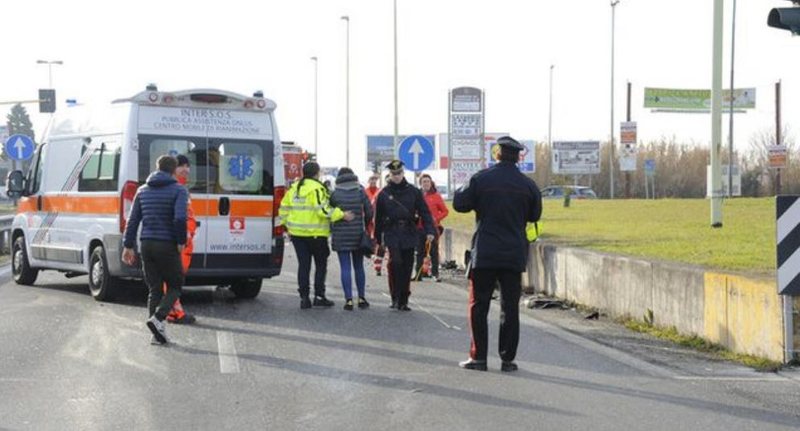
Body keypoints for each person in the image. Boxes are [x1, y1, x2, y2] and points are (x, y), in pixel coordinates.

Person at [453, 136, 542, 372]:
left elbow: (459, 204)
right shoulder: (528, 185)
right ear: (518, 157)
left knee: (478, 305)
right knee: (510, 308)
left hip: (486, 253)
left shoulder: (481, 179)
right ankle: (508, 359)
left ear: (498, 154)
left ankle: (478, 357)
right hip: (513, 254)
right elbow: (535, 215)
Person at [122, 155, 189, 345]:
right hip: (167, 244)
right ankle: (158, 318)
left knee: (154, 289)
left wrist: (128, 245)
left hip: (146, 245)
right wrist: (181, 241)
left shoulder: (142, 190)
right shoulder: (179, 190)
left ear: (157, 167)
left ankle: (156, 335)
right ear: (174, 170)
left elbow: (132, 220)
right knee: (175, 285)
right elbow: (179, 218)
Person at [279, 161, 354, 309]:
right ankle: (319, 296)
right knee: (320, 265)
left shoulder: (294, 189)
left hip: (297, 235)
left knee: (303, 265)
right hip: (316, 235)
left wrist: (288, 226)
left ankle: (304, 298)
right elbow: (323, 210)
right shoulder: (317, 189)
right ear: (316, 173)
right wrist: (342, 214)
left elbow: (283, 210)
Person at [374, 160, 435, 311]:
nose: (396, 176)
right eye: (394, 174)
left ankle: (404, 299)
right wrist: (378, 239)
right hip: (392, 231)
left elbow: (425, 212)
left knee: (407, 266)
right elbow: (378, 218)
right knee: (395, 263)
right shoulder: (384, 193)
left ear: (403, 173)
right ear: (390, 175)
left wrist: (430, 230)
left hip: (409, 231)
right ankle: (395, 297)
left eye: (399, 173)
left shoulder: (414, 192)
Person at [330, 167, 373, 310]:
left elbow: (330, 213)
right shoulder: (360, 191)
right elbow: (369, 211)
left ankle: (348, 300)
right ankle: (361, 298)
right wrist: (364, 224)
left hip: (340, 235)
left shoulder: (334, 194)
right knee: (359, 266)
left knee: (345, 267)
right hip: (358, 235)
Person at [164, 154, 197, 324]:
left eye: (187, 165)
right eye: (181, 166)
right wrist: (184, 235)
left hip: (183, 241)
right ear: (173, 169)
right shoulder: (175, 188)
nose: (185, 169)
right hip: (178, 241)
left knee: (174, 278)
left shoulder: (182, 187)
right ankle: (175, 313)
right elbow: (178, 217)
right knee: (173, 278)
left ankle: (172, 312)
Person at [414, 174, 449, 282]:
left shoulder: (436, 196)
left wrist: (436, 218)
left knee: (434, 251)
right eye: (424, 182)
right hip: (420, 227)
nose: (426, 184)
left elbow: (445, 211)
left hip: (433, 227)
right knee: (419, 252)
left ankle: (435, 274)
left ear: (431, 183)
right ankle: (418, 274)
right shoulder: (417, 195)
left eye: (428, 181)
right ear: (420, 184)